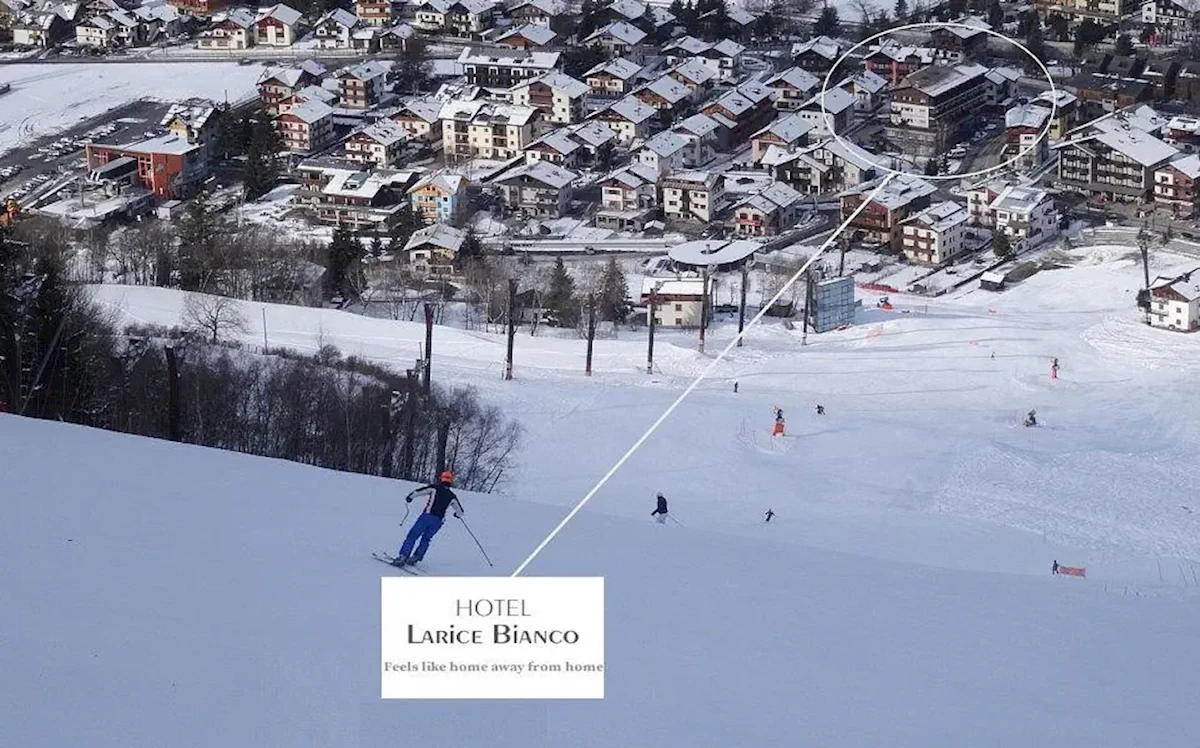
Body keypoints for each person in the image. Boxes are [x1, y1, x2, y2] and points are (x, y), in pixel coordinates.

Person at [394, 471, 462, 566]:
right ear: (451, 481)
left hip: (427, 516)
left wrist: (410, 497)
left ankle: (403, 557)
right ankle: (417, 557)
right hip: (438, 522)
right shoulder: (452, 496)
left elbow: (419, 492)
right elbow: (460, 512)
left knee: (413, 535)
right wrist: (457, 515)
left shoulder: (434, 488)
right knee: (426, 538)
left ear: (442, 478)